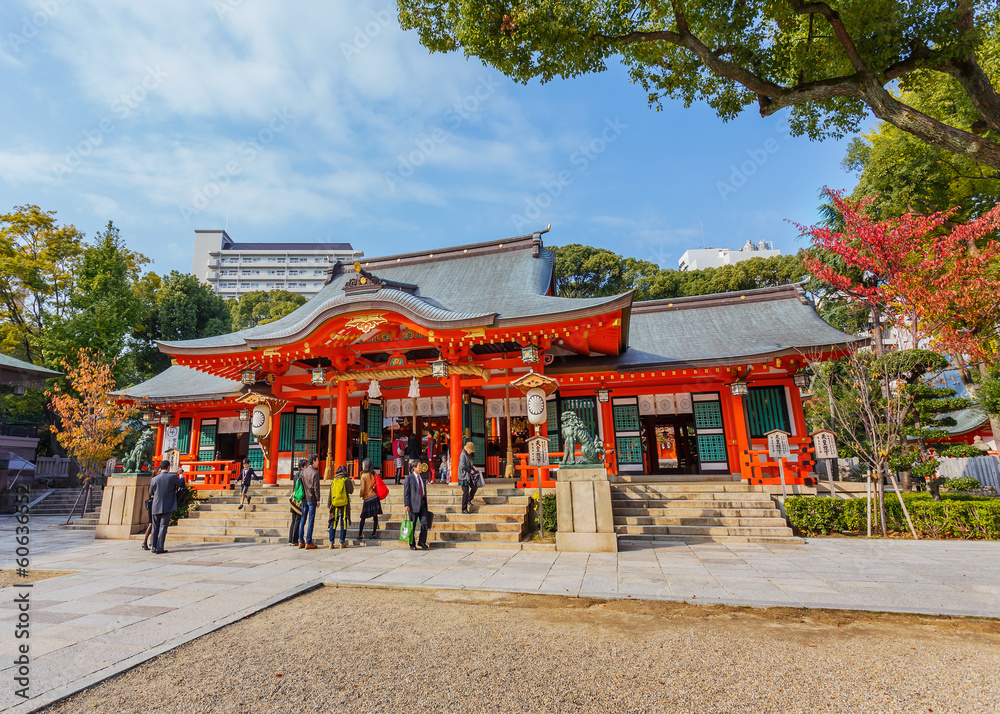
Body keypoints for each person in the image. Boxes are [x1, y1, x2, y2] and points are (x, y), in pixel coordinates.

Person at [148, 459, 185, 554]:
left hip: (156, 505)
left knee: (155, 526)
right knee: (163, 527)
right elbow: (181, 484)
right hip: (168, 505)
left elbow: (150, 492)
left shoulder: (154, 479)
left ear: (160, 467)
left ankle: (153, 547)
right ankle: (160, 547)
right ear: (168, 467)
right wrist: (180, 474)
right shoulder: (172, 477)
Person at [403, 458, 430, 550]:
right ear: (414, 468)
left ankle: (422, 541)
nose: (421, 468)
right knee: (412, 524)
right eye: (419, 466)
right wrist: (406, 504)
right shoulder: (409, 478)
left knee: (425, 523)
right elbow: (406, 493)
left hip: (422, 503)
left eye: (421, 466)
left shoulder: (422, 477)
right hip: (413, 504)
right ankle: (412, 543)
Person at [356, 458, 382, 544]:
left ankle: (360, 534)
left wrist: (361, 495)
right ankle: (373, 533)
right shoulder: (373, 474)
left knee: (363, 517)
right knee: (375, 516)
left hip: (367, 498)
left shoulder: (363, 475)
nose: (362, 466)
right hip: (374, 496)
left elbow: (363, 488)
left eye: (363, 464)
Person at [298, 454, 321, 549]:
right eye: (317, 460)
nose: (318, 462)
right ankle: (308, 541)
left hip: (304, 498)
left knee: (303, 519)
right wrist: (318, 499)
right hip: (312, 498)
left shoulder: (303, 472)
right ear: (314, 461)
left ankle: (301, 541)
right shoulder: (315, 473)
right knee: (311, 520)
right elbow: (316, 488)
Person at [328, 464, 353, 548]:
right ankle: (342, 542)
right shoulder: (347, 480)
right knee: (343, 523)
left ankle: (331, 543)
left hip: (335, 505)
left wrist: (329, 505)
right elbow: (351, 491)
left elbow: (330, 493)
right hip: (344, 506)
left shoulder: (334, 480)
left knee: (333, 523)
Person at [458, 441, 480, 514]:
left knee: (474, 487)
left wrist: (473, 469)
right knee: (465, 492)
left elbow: (470, 465)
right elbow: (462, 466)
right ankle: (464, 509)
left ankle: (469, 500)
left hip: (468, 476)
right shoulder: (463, 455)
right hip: (464, 476)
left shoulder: (468, 455)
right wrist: (470, 470)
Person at [289, 459, 306, 546]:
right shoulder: (303, 475)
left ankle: (290, 539)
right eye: (306, 466)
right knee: (298, 520)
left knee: (293, 520)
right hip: (299, 499)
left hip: (294, 498)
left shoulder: (296, 475)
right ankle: (295, 539)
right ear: (303, 467)